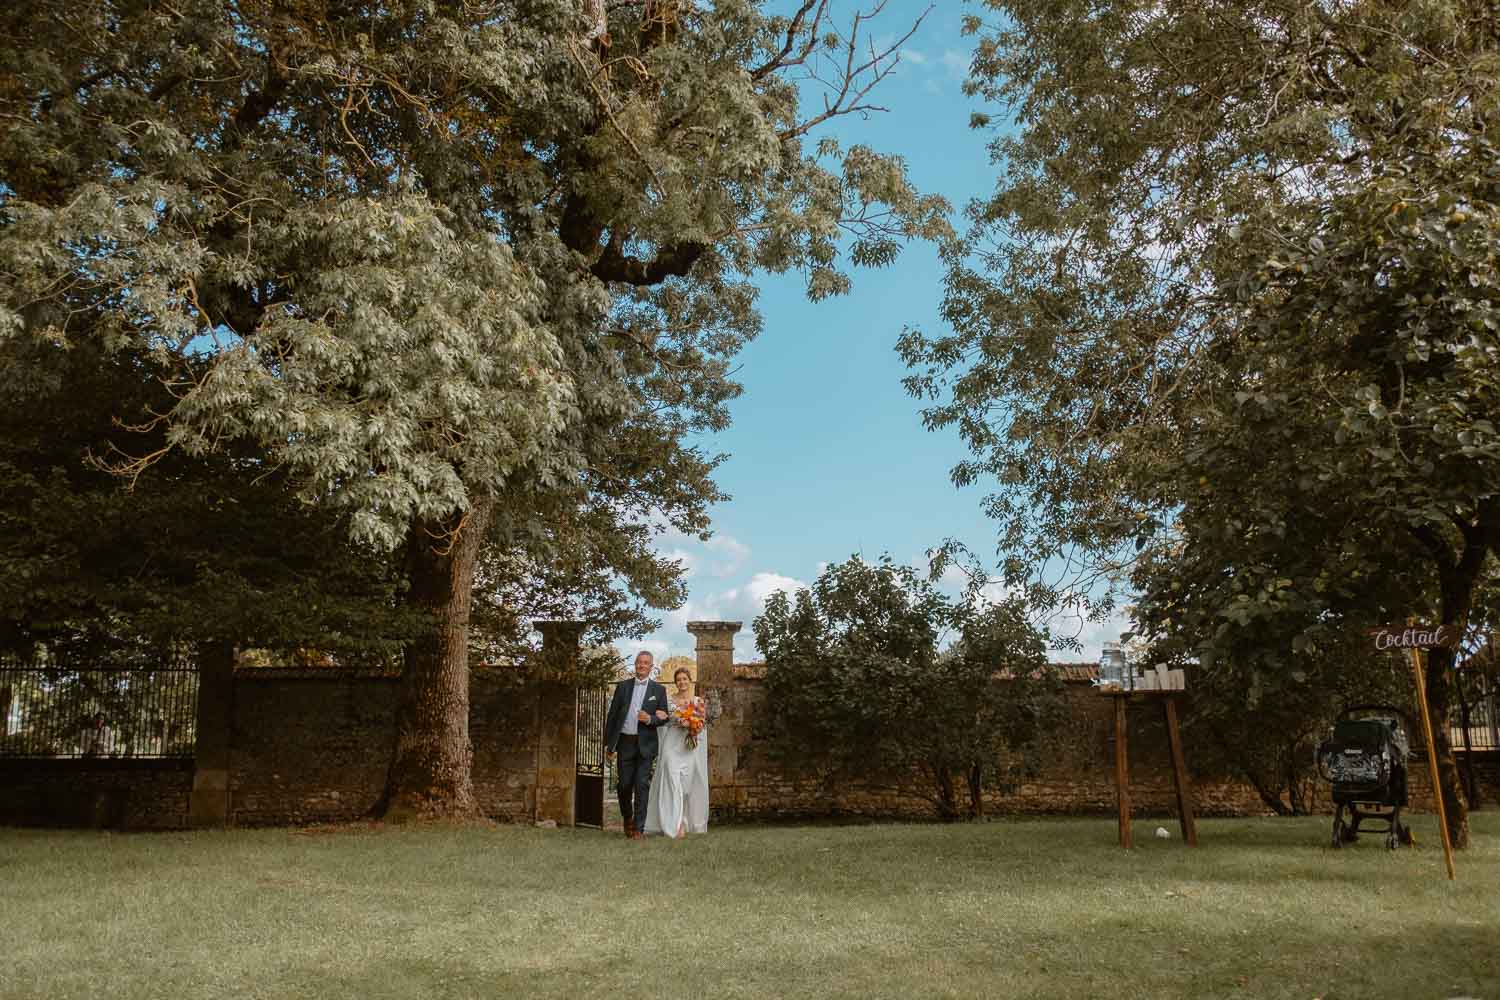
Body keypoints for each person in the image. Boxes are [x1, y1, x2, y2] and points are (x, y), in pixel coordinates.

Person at [643, 666, 716, 838]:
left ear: (690, 680)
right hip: (671, 745)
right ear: (676, 683)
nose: (681, 682)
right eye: (678, 680)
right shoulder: (669, 700)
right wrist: (676, 720)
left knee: (685, 787)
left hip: (687, 747)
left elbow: (702, 725)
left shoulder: (698, 702)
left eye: (684, 679)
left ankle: (682, 819)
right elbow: (664, 721)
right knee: (671, 780)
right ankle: (674, 826)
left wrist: (691, 725)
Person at [604, 650, 670, 840]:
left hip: (646, 745)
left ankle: (639, 829)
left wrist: (649, 719)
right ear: (635, 664)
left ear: (651, 667)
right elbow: (613, 716)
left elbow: (663, 717)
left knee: (642, 785)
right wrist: (609, 746)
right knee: (624, 785)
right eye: (639, 662)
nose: (642, 665)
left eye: (646, 663)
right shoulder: (623, 687)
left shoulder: (659, 690)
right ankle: (627, 818)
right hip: (625, 742)